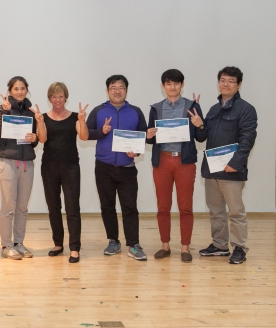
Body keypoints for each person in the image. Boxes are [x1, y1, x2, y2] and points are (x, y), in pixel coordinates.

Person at [194, 66, 257, 264]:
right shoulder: (214, 109)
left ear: (238, 84)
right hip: (212, 170)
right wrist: (199, 124)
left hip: (231, 170)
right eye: (223, 80)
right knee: (216, 211)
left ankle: (239, 247)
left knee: (236, 212)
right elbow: (202, 137)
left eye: (231, 81)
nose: (226, 84)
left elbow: (247, 140)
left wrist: (235, 163)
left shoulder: (246, 109)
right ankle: (220, 245)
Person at [85, 74, 148, 261]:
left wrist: (136, 152)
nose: (117, 91)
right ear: (107, 91)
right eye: (113, 87)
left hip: (127, 167)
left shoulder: (136, 112)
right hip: (104, 167)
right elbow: (86, 133)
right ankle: (113, 241)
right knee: (107, 206)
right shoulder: (98, 111)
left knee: (130, 207)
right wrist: (101, 131)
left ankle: (133, 244)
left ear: (126, 90)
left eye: (121, 87)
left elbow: (143, 136)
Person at [146, 69, 205, 263]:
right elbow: (150, 139)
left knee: (185, 207)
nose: (172, 87)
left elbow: (201, 137)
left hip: (184, 162)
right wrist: (149, 135)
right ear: (163, 86)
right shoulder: (156, 108)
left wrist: (200, 124)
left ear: (182, 85)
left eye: (176, 83)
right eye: (169, 83)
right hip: (162, 161)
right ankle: (165, 245)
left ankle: (185, 248)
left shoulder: (192, 106)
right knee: (163, 207)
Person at [30, 82, 88, 263]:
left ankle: (74, 247)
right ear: (50, 99)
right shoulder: (44, 117)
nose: (57, 100)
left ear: (65, 97)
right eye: (54, 97)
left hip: (71, 167)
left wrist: (82, 120)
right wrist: (40, 122)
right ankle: (58, 243)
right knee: (53, 207)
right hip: (49, 167)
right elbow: (42, 139)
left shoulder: (75, 117)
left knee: (72, 208)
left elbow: (84, 137)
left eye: (61, 96)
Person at [0, 76, 38, 260]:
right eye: (16, 88)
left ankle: (19, 243)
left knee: (22, 207)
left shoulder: (31, 112)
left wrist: (34, 138)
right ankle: (6, 245)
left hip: (27, 163)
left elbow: (33, 141)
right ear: (10, 91)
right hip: (8, 162)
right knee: (8, 206)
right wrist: (5, 112)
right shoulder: (1, 108)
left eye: (22, 88)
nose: (19, 91)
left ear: (27, 90)